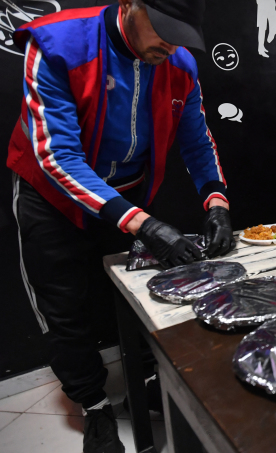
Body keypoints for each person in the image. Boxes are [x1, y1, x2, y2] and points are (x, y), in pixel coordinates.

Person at [8, 0, 234, 451]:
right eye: (163, 28)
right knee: (65, 305)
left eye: (181, 34)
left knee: (134, 296)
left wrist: (217, 201)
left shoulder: (179, 62)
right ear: (130, 5)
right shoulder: (58, 45)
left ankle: (142, 380)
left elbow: (197, 140)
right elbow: (58, 156)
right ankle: (94, 407)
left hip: (127, 196)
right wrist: (144, 225)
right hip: (53, 196)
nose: (169, 44)